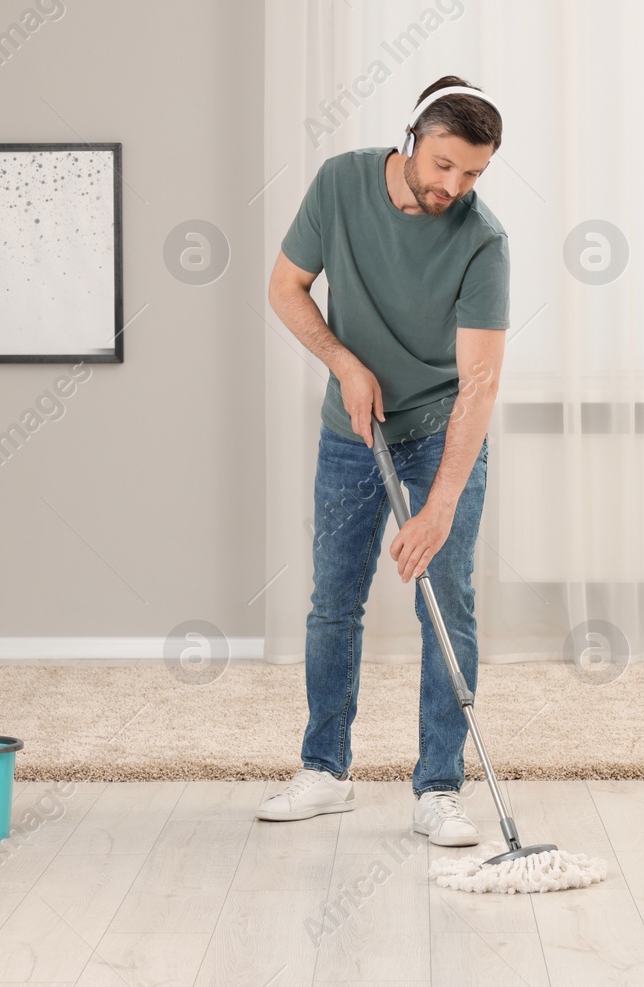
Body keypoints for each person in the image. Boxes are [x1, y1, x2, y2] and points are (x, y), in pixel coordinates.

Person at [256, 76, 509, 846]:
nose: (453, 186)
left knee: (446, 604)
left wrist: (438, 507)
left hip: (440, 431)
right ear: (411, 139)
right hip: (353, 431)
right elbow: (285, 287)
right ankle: (325, 770)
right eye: (443, 164)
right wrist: (344, 362)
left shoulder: (482, 240)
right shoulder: (339, 183)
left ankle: (438, 788)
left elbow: (479, 384)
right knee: (335, 600)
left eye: (471, 173)